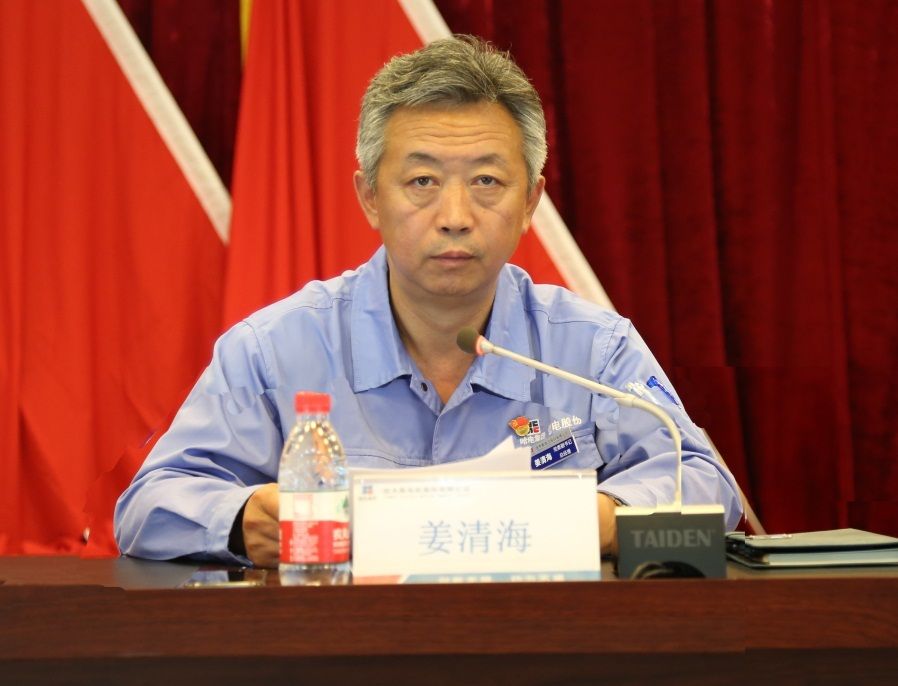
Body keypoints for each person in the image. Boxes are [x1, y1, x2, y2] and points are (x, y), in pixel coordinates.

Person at [115, 36, 743, 568]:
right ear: (369, 197)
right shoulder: (274, 350)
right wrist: (241, 521)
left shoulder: (592, 349)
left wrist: (598, 518)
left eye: (487, 181)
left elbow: (705, 484)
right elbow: (149, 505)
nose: (455, 216)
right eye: (422, 181)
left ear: (530, 201)